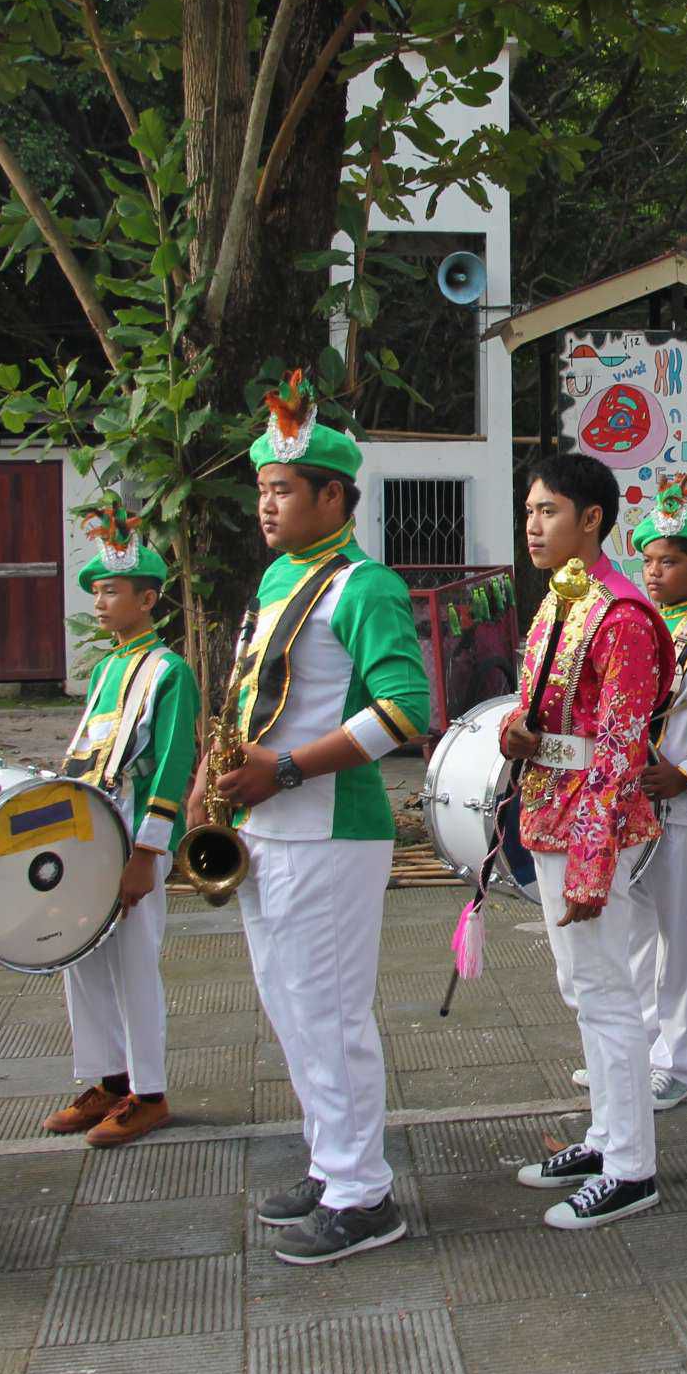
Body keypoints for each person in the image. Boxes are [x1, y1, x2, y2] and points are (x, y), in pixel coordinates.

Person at [205, 373, 430, 1266]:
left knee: (330, 1013)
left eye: (283, 489)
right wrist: (220, 778)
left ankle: (363, 1195)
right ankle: (331, 1159)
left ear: (333, 497)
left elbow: (405, 712)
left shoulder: (366, 586)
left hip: (331, 829)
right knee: (291, 1007)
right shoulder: (277, 577)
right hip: (266, 826)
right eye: (262, 489)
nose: (266, 504)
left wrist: (289, 767)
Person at [501, 451, 672, 1228]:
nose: (533, 526)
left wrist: (592, 864)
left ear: (592, 519)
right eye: (530, 512)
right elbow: (546, 713)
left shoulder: (622, 616)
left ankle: (632, 1168)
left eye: (548, 512)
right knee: (584, 987)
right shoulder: (562, 600)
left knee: (606, 992)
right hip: (553, 813)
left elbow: (621, 750)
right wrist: (516, 732)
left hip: (594, 825)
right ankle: (606, 1138)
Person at [42, 503, 198, 1148]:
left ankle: (149, 1093)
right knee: (80, 955)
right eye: (97, 592)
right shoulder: (107, 669)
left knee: (133, 964)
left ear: (148, 599)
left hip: (133, 833)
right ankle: (108, 1081)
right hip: (89, 828)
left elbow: (172, 765)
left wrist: (147, 853)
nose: (100, 603)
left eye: (111, 592)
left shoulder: (170, 671)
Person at [616, 474, 687, 1111]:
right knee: (633, 929)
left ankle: (679, 1059)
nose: (655, 573)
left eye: (670, 562)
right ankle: (635, 1049)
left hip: (683, 802)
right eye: (649, 561)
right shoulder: (634, 625)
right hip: (630, 802)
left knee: (681, 935)